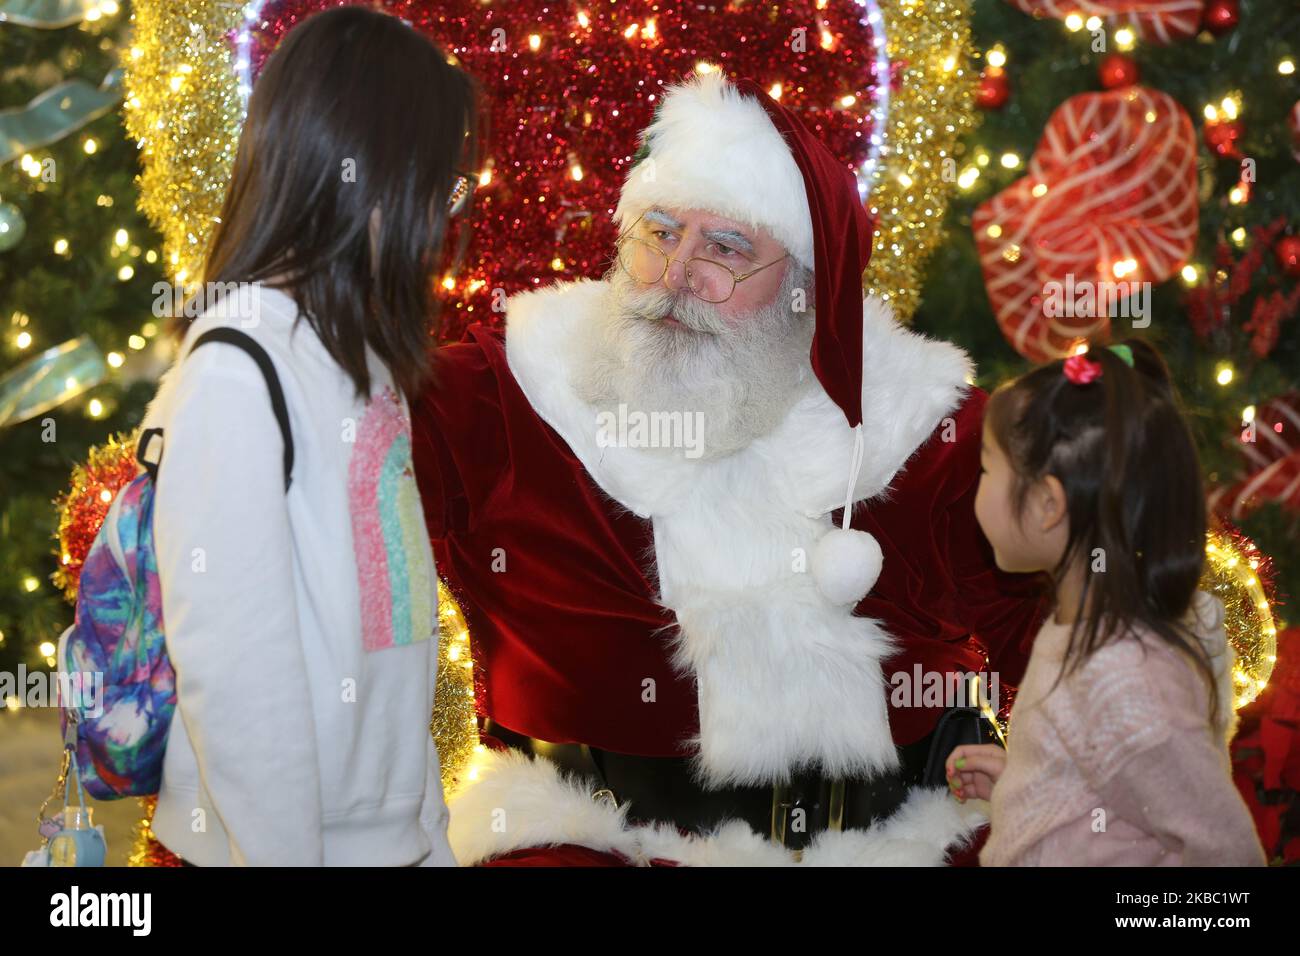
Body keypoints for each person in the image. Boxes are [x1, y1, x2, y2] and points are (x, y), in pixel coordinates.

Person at [412, 71, 1045, 866]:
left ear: (805, 293)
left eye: (726, 248)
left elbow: (1084, 615)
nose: (677, 276)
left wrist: (1052, 768)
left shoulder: (925, 432)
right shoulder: (510, 394)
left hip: (902, 839)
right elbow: (322, 473)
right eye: (660, 232)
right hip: (587, 841)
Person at [145, 6, 480, 865]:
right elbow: (237, 677)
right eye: (435, 181)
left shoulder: (362, 360)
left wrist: (426, 838)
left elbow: (399, 657)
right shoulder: (236, 372)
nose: (444, 214)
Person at [947, 341, 1266, 866]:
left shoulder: (1126, 677)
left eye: (986, 470)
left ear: (1048, 505)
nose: (974, 488)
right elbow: (1109, 796)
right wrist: (1027, 785)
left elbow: (1227, 858)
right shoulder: (1077, 625)